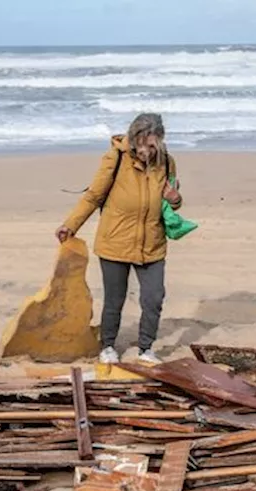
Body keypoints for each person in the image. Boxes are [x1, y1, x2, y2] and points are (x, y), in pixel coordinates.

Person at [57, 112, 182, 365]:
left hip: (152, 244)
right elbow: (93, 196)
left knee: (154, 298)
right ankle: (108, 347)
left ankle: (146, 349)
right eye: (143, 144)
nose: (147, 151)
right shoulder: (115, 159)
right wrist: (71, 225)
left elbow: (173, 204)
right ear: (133, 137)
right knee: (115, 299)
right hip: (115, 241)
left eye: (152, 145)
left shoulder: (167, 163)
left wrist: (174, 199)